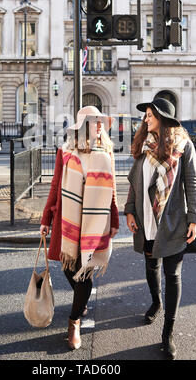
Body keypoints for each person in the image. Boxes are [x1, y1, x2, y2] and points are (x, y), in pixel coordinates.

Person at [124, 98, 196, 360]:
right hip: (145, 219)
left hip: (173, 221)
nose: (146, 119)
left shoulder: (183, 146)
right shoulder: (145, 144)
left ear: (162, 118)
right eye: (145, 115)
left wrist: (194, 218)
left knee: (173, 274)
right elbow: (135, 181)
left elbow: (192, 182)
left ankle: (167, 332)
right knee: (151, 266)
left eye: (149, 115)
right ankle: (156, 301)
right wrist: (129, 209)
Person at [40, 105, 119, 350]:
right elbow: (55, 186)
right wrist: (45, 219)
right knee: (69, 269)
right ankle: (80, 300)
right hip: (68, 219)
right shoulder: (65, 152)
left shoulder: (105, 153)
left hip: (95, 221)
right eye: (95, 123)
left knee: (84, 271)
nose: (99, 127)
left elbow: (112, 190)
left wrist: (115, 220)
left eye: (100, 123)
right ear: (85, 127)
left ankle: (73, 322)